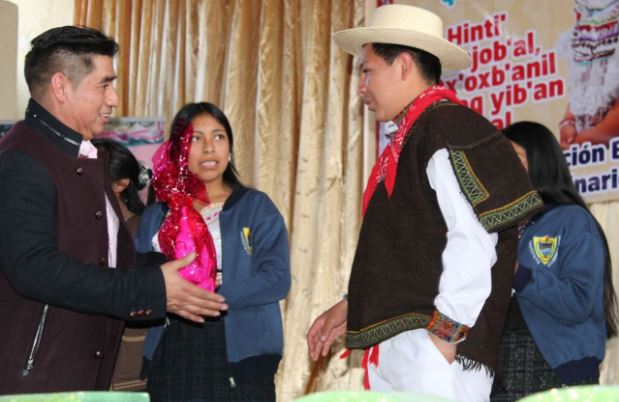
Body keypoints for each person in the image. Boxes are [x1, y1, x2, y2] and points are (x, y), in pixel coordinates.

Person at [306, 5, 543, 402]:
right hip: (412, 346)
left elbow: (473, 239)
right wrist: (352, 304)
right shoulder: (416, 136)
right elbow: (413, 250)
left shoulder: (445, 127)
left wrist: (444, 338)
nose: (362, 86)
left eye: (367, 71)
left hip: (434, 350)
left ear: (402, 66)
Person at [0, 26, 228, 393]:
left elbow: (106, 262)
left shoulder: (82, 155)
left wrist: (174, 274)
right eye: (104, 84)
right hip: (38, 381)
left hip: (79, 374)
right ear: (61, 87)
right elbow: (35, 269)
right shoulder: (21, 159)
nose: (114, 98)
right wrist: (152, 286)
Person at [135, 102, 290, 402]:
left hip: (240, 354)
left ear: (229, 149)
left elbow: (276, 278)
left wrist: (208, 291)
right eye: (195, 138)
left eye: (218, 137)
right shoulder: (157, 215)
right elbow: (138, 277)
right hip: (172, 347)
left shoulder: (255, 206)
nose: (209, 148)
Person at [491, 121, 618, 401]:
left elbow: (581, 300)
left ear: (541, 160)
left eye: (514, 157)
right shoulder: (496, 228)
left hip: (558, 370)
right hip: (497, 371)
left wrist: (520, 274)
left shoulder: (571, 220)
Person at [93, 138, 151, 391]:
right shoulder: (81, 231)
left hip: (129, 373)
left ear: (121, 183)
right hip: (89, 370)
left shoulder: (144, 231)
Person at [558, 0, 619, 148]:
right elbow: (581, 90)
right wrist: (568, 122)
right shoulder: (587, 44)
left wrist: (580, 141)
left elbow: (605, 133)